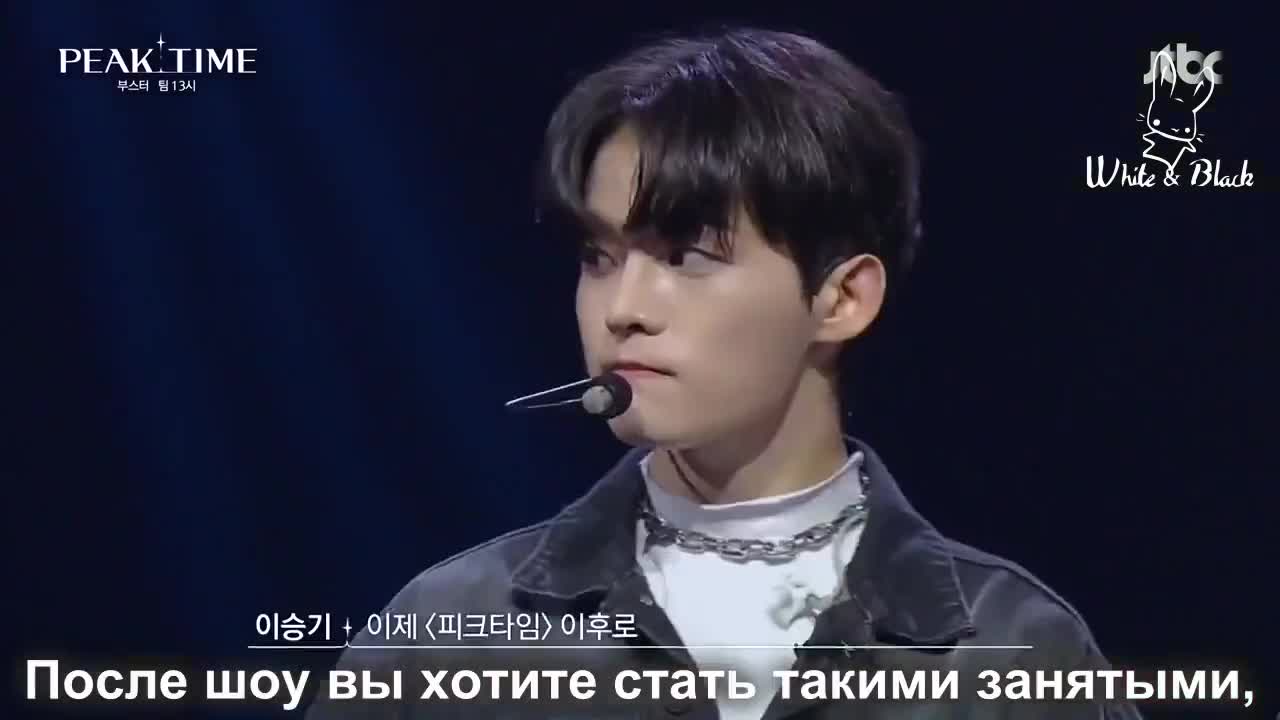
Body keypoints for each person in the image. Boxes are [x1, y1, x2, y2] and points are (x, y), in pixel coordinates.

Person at [307, 26, 1142, 720]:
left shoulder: (1010, 652)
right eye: (599, 256)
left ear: (842, 299)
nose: (623, 307)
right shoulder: (452, 633)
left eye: (686, 256)